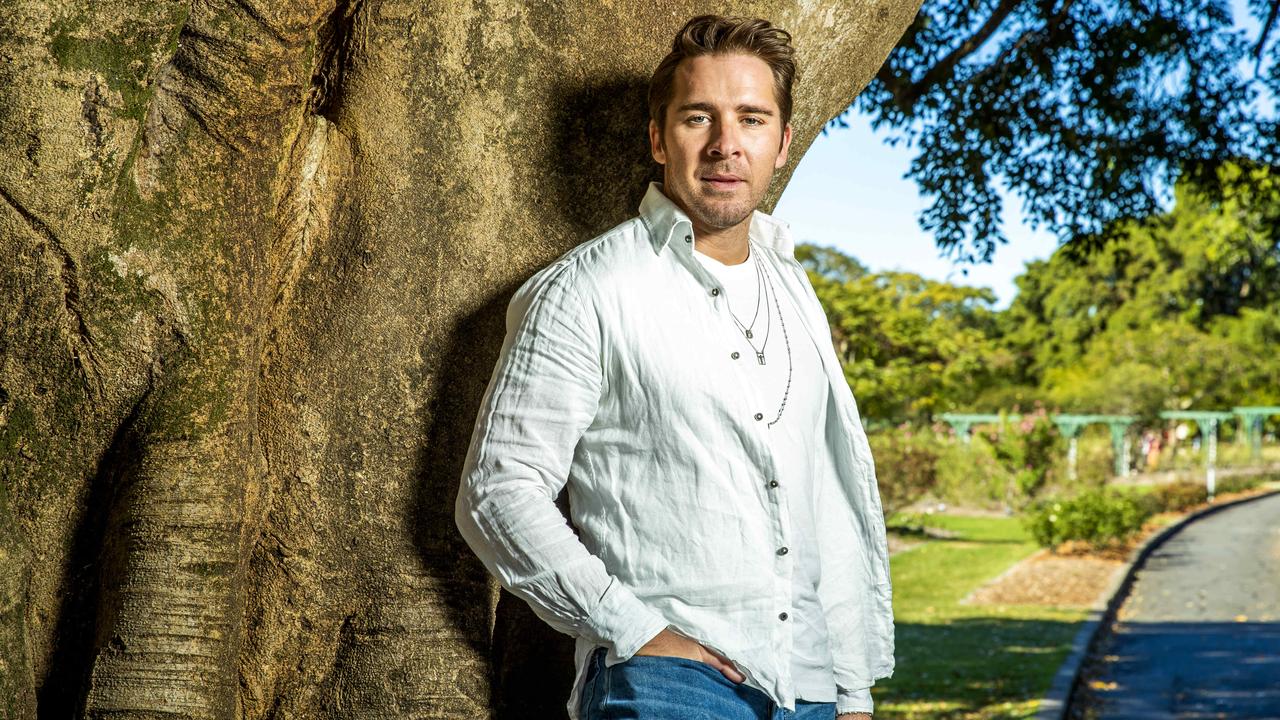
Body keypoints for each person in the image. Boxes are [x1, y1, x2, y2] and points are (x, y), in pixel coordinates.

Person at [455, 13, 894, 720]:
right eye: (699, 118)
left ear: (781, 144)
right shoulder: (588, 289)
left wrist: (852, 691)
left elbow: (827, 502)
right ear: (660, 139)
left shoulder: (794, 288)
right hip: (670, 689)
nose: (727, 145)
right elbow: (497, 491)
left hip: (812, 687)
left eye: (752, 119)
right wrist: (635, 629)